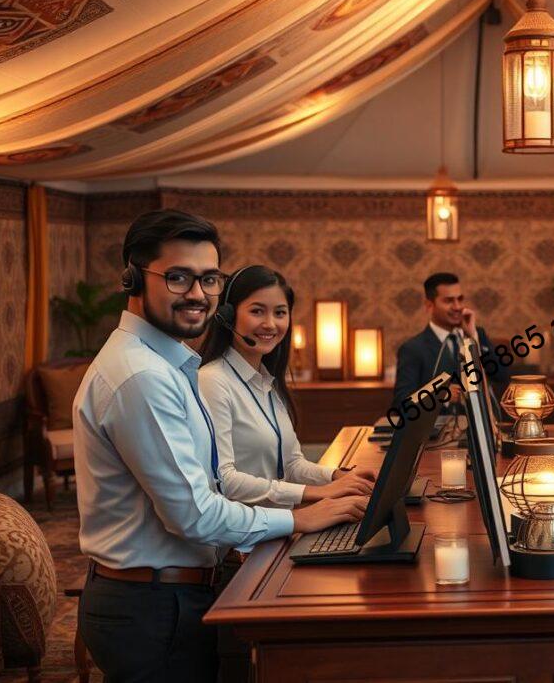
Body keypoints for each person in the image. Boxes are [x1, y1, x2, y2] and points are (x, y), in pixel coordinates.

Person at [74, 210, 367, 682]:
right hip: (151, 606)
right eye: (177, 277)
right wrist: (300, 517)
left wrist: (324, 490)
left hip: (163, 596)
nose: (197, 294)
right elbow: (194, 514)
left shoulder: (169, 364)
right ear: (132, 278)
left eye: (208, 279)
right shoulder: (143, 377)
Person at [198, 264, 376, 509]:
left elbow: (291, 464)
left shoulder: (267, 381)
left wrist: (337, 477)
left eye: (280, 313)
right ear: (227, 315)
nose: (270, 324)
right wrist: (317, 493)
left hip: (280, 531)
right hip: (242, 540)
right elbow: (224, 480)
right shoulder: (212, 381)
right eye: (257, 311)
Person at [393, 272, 510, 405]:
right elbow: (401, 402)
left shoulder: (477, 335)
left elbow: (502, 376)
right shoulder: (412, 348)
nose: (457, 307)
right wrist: (439, 396)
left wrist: (474, 338)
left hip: (478, 424)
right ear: (429, 305)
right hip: (439, 424)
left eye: (460, 299)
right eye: (449, 301)